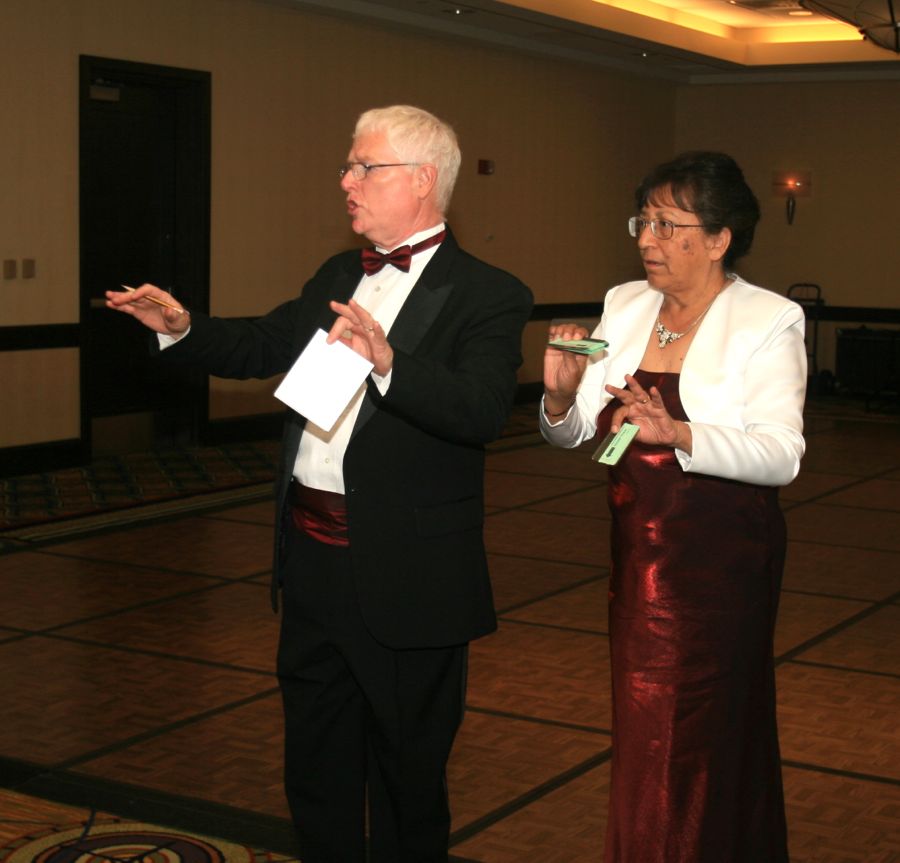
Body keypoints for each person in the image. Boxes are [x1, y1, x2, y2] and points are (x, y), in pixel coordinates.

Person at [106, 105, 533, 863]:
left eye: (364, 166)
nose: (346, 181)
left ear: (423, 179)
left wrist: (389, 361)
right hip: (309, 565)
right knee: (316, 768)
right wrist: (179, 325)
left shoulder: (490, 293)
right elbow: (268, 341)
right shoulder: (342, 273)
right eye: (349, 166)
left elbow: (479, 411)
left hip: (408, 575)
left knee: (407, 778)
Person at [541, 151, 805, 863]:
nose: (646, 239)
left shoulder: (768, 320)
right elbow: (578, 433)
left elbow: (782, 453)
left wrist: (681, 431)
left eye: (667, 224)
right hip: (637, 567)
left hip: (721, 566)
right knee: (646, 734)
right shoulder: (625, 304)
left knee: (701, 737)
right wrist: (562, 397)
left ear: (719, 238)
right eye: (643, 220)